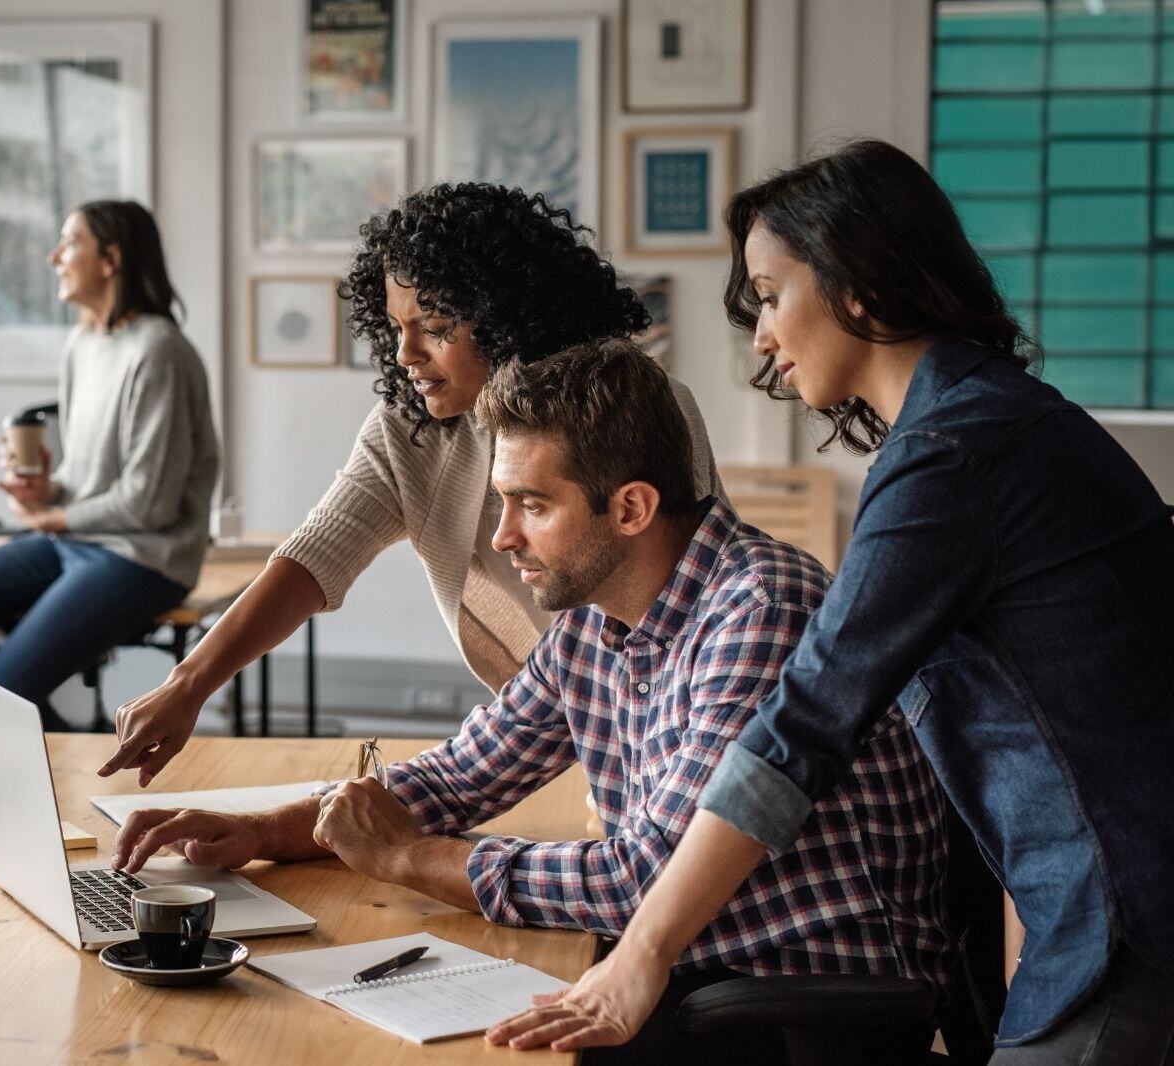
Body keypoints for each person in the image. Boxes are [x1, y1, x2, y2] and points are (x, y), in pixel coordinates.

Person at [492, 141, 1174, 1064]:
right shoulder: (981, 425)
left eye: (772, 295)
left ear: (859, 282)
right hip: (1099, 911)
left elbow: (803, 722)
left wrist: (641, 955)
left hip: (1130, 916)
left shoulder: (954, 457)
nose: (763, 338)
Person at [112, 339, 948, 1065]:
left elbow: (640, 879)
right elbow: (463, 775)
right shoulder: (600, 612)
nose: (504, 536)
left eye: (533, 506)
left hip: (791, 1004)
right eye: (504, 501)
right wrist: (268, 832)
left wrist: (410, 861)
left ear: (631, 508)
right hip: (692, 969)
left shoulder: (759, 608)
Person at [100, 183, 720, 786]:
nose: (404, 353)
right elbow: (314, 557)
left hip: (664, 726)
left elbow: (685, 607)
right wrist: (188, 686)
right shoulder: (411, 428)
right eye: (396, 327)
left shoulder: (633, 410)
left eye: (435, 326)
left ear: (510, 315)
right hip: (537, 729)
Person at [0, 201, 219, 729]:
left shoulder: (159, 352)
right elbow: (88, 480)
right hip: (77, 543)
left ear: (110, 259)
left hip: (143, 559)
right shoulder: (82, 345)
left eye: (69, 243)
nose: (54, 257)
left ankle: (32, 734)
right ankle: (55, 738)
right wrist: (49, 490)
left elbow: (150, 503)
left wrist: (53, 518)